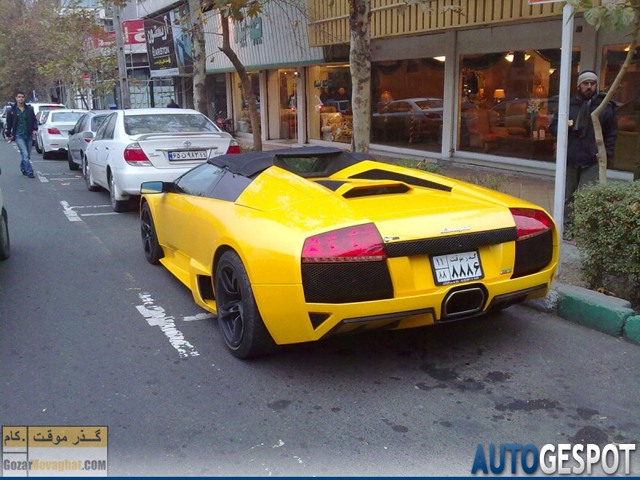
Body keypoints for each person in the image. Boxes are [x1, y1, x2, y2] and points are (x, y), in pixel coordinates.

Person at [550, 70, 617, 238]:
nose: (589, 87)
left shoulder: (604, 108)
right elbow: (553, 128)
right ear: (579, 86)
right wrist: (564, 127)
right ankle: (568, 228)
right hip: (570, 159)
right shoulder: (568, 106)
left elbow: (612, 133)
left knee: (590, 198)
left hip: (592, 160)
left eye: (592, 83)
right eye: (585, 83)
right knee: (567, 197)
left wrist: (606, 154)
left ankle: (590, 233)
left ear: (596, 85)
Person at [5, 91, 38, 178]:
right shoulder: (11, 110)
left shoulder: (29, 109)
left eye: (22, 97)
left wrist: (35, 129)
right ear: (16, 98)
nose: (21, 98)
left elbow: (34, 120)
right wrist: (8, 134)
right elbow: (9, 123)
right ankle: (29, 171)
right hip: (18, 135)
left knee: (27, 154)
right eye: (19, 97)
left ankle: (23, 167)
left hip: (28, 134)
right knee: (25, 153)